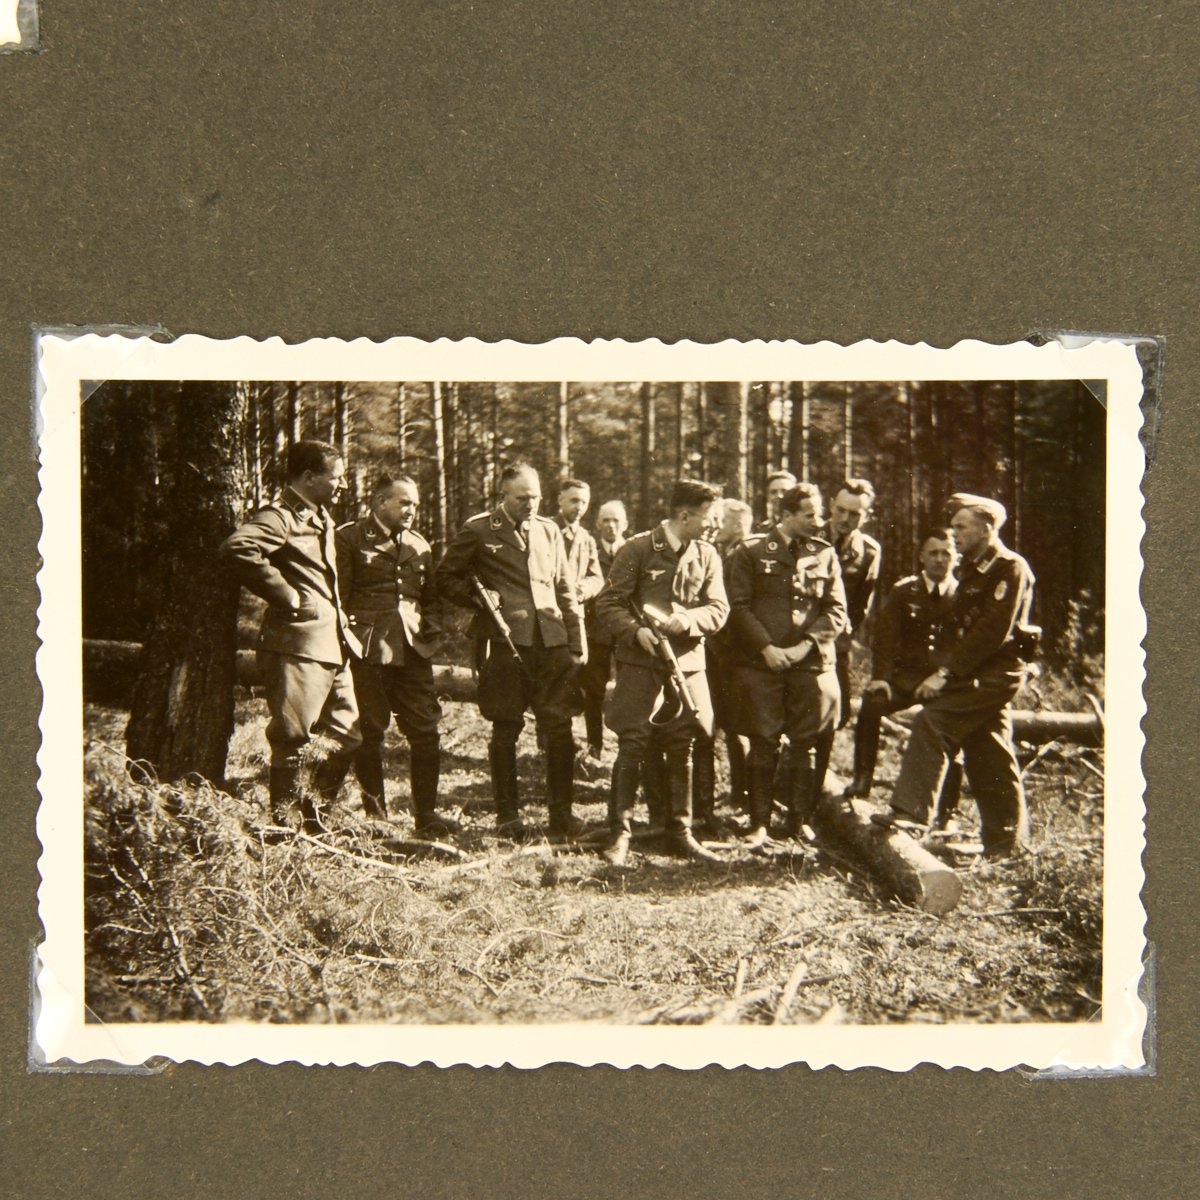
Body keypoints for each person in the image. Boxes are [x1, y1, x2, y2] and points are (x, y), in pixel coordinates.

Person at [873, 494, 1036, 860]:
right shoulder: (973, 569)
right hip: (976, 672)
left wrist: (945, 674)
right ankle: (1008, 843)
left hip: (995, 674)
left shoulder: (1009, 568)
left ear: (987, 528)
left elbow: (991, 632)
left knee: (932, 721)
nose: (955, 533)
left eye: (962, 526)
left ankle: (910, 814)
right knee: (988, 748)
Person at [435, 463, 586, 841]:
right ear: (503, 496)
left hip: (550, 643)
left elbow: (565, 589)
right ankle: (507, 817)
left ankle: (562, 817)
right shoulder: (479, 530)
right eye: (522, 498)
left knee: (560, 729)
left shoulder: (549, 530)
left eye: (535, 497)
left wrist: (576, 641)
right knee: (506, 728)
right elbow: (445, 577)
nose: (530, 505)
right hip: (504, 643)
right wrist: (480, 599)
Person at [219, 440, 363, 831]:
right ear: (309, 477)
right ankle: (285, 832)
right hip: (297, 644)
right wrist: (287, 595)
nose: (342, 485)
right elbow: (238, 547)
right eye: (336, 477)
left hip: (331, 644)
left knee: (348, 735)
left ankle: (315, 823)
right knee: (292, 739)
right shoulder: (280, 516)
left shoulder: (319, 516)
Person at [594, 480, 729, 865]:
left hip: (687, 665)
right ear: (684, 515)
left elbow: (719, 608)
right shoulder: (637, 549)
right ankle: (619, 833)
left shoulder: (707, 554)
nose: (713, 524)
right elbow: (608, 603)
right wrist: (635, 632)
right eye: (708, 516)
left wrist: (689, 620)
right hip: (641, 665)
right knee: (633, 744)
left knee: (684, 743)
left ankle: (679, 831)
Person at [335, 474, 460, 838]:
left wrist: (431, 630)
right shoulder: (349, 538)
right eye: (405, 503)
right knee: (370, 732)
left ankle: (427, 815)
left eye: (415, 504)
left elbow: (431, 599)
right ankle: (376, 816)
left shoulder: (419, 544)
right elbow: (339, 598)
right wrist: (347, 644)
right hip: (367, 650)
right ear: (379, 502)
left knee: (426, 731)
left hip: (413, 650)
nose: (412, 510)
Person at [725, 483, 848, 847]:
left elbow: (836, 610)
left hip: (807, 664)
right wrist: (766, 648)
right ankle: (759, 821)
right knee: (763, 742)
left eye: (819, 514)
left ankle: (797, 820)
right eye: (809, 515)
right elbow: (738, 606)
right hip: (762, 664)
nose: (818, 521)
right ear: (786, 515)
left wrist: (805, 646)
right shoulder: (751, 551)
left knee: (804, 743)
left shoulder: (824, 554)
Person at [846, 529, 964, 829]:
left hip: (943, 682)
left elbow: (965, 645)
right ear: (921, 557)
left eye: (946, 553)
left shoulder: (963, 594)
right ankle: (862, 781)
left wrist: (946, 676)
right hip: (905, 679)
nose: (939, 559)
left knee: (952, 729)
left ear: (957, 558)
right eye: (933, 553)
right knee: (872, 704)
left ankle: (947, 810)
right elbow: (885, 638)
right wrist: (881, 678)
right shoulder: (904, 591)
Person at [691, 498, 753, 835]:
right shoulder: (720, 552)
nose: (717, 525)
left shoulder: (744, 554)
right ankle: (713, 800)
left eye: (723, 520)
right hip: (716, 652)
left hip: (733, 654)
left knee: (733, 726)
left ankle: (741, 794)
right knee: (713, 726)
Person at [578, 499, 628, 759]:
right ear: (597, 524)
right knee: (594, 691)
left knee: (628, 690)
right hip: (595, 631)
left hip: (625, 633)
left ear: (625, 524)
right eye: (606, 520)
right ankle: (594, 747)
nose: (611, 526)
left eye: (616, 520)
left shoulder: (632, 551)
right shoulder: (589, 551)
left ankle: (627, 749)